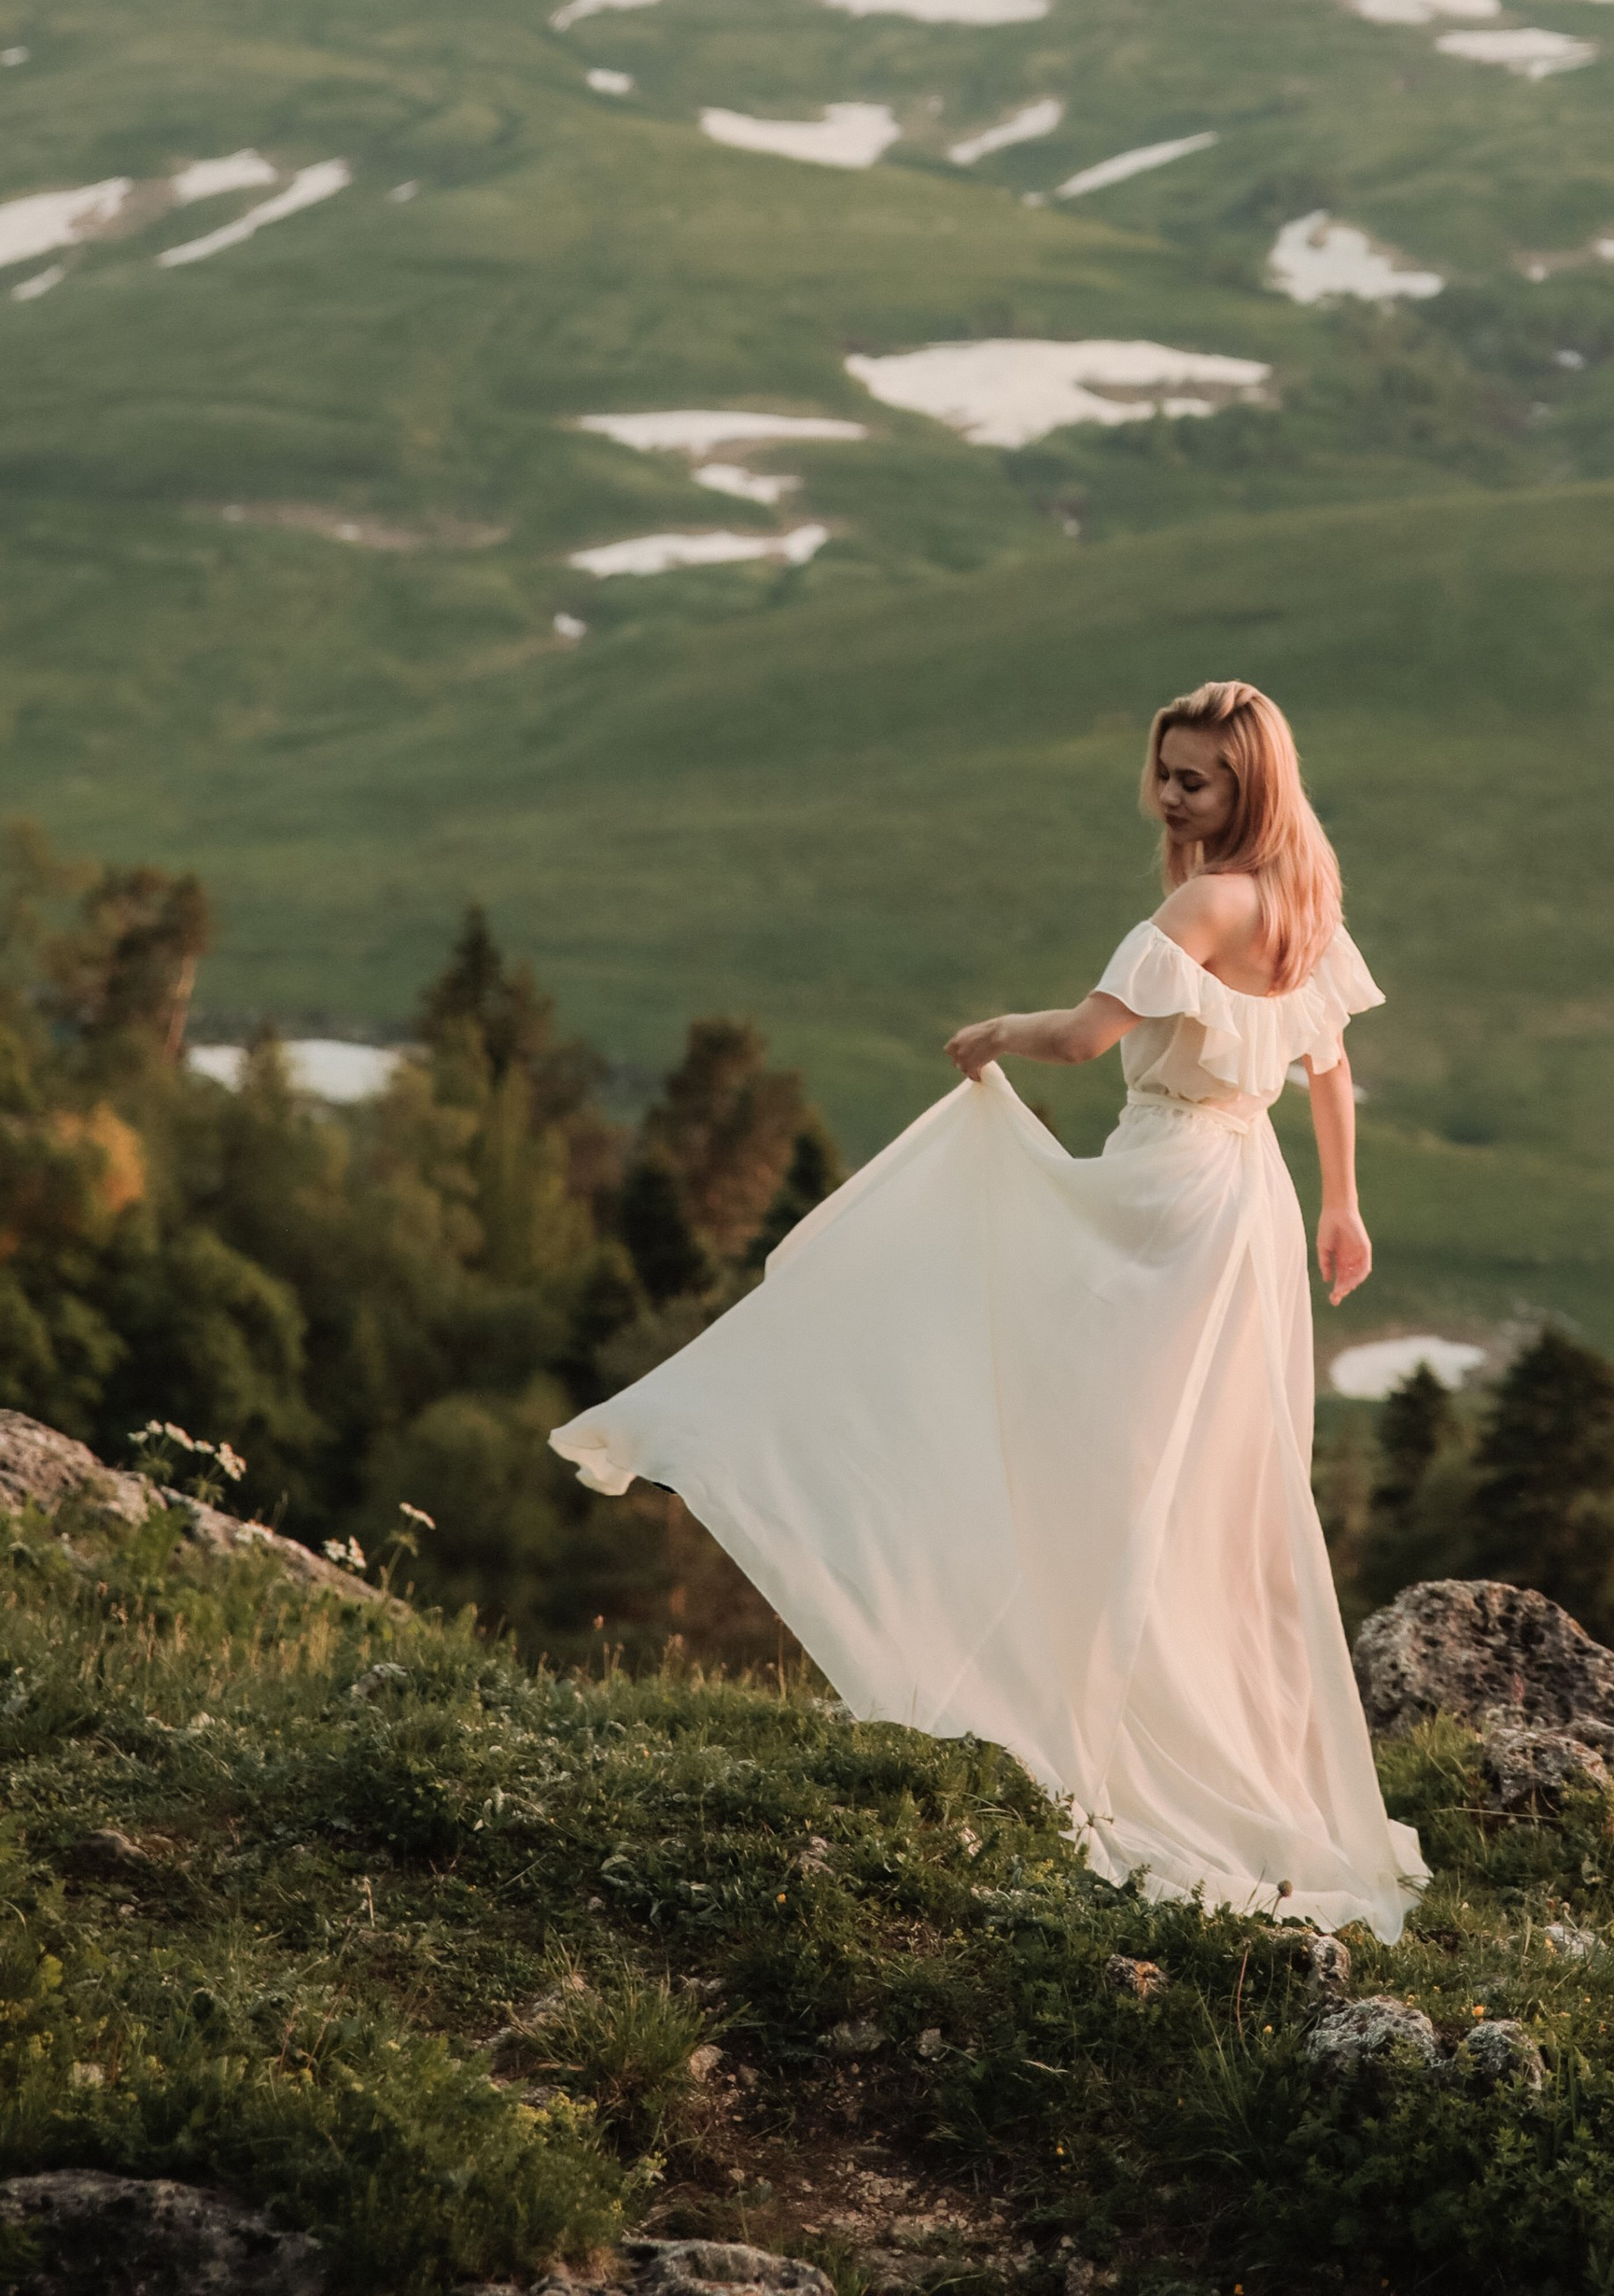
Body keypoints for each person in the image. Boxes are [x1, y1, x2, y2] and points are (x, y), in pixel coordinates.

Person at [548, 676, 1425, 1940]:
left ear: (1249, 789)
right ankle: (1146, 1703)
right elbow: (1328, 1067)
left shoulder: (1203, 901)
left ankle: (1087, 1705)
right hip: (1255, 1206)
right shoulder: (1303, 897)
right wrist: (1342, 1206)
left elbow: (1082, 1040)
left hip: (1170, 1192)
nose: (1173, 793)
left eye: (1200, 779)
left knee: (1078, 1423)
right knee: (1201, 1473)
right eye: (1168, 770)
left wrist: (1000, 1031)